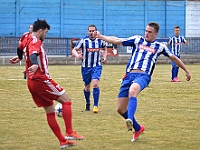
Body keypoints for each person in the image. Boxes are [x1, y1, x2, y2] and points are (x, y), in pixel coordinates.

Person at [94, 22, 191, 142]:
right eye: (146, 31)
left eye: (150, 32)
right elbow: (118, 40)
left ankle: (129, 119)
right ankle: (138, 128)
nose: (147, 33)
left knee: (133, 91)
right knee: (120, 109)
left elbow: (174, 58)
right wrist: (102, 37)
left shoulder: (160, 46)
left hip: (143, 75)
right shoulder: (137, 39)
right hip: (129, 75)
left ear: (156, 34)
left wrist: (186, 70)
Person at [9, 19, 85, 149]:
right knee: (66, 100)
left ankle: (62, 141)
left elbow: (19, 47)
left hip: (32, 81)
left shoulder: (26, 37)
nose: (46, 35)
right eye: (45, 32)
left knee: (50, 110)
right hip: (40, 79)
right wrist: (34, 64)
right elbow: (33, 55)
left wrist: (21, 58)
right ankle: (69, 133)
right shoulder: (35, 41)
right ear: (40, 31)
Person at [71, 24, 107, 113]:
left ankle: (95, 106)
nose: (91, 32)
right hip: (86, 67)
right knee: (87, 87)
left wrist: (105, 57)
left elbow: (105, 48)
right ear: (88, 31)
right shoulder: (83, 40)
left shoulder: (99, 40)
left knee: (95, 83)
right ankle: (87, 103)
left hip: (96, 66)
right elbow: (74, 50)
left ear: (96, 31)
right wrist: (77, 55)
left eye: (93, 31)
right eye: (90, 31)